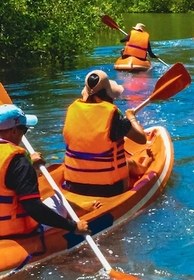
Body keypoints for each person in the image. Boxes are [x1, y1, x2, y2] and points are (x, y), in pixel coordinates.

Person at [0, 104, 90, 243]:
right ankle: (86, 213)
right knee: (59, 200)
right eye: (24, 129)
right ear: (14, 131)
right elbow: (34, 208)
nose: (23, 134)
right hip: (8, 233)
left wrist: (28, 163)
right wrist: (73, 227)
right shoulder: (19, 163)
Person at [63, 69, 148, 197]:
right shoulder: (113, 116)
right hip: (109, 190)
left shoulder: (72, 110)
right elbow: (142, 139)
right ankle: (146, 166)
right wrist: (131, 117)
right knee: (127, 162)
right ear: (108, 94)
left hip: (73, 186)